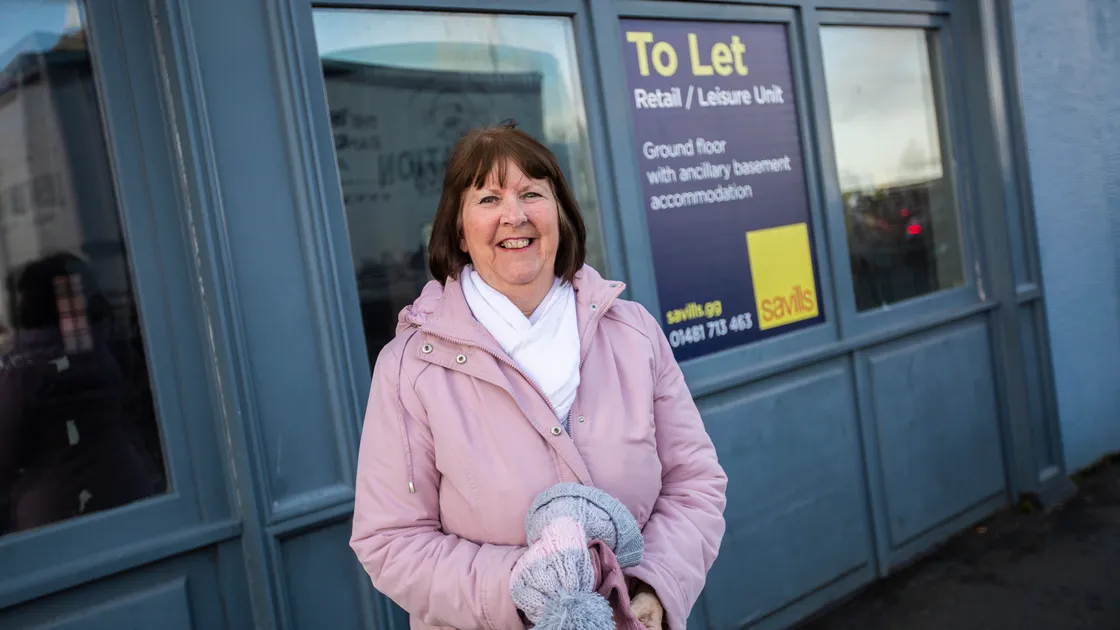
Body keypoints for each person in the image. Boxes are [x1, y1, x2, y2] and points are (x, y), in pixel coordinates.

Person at [350, 121, 727, 630]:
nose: (514, 215)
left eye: (532, 193)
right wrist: (524, 588)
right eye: (487, 199)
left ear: (561, 215)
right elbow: (390, 541)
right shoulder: (408, 368)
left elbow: (695, 484)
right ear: (458, 230)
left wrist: (654, 586)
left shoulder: (633, 332)